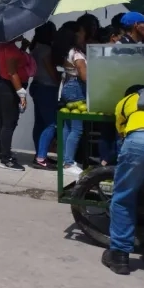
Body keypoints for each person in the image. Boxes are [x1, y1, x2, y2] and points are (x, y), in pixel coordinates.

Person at [101, 84, 144, 275]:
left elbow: (122, 134)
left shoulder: (125, 102)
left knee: (123, 198)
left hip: (139, 142)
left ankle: (119, 257)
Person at [0, 37, 33, 171]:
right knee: (9, 122)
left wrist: (22, 49)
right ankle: (6, 158)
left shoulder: (4, 45)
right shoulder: (9, 49)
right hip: (9, 87)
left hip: (4, 85)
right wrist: (21, 94)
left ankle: (0, 151)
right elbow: (12, 72)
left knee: (3, 121)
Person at [53, 22, 88, 176]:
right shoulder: (77, 54)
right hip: (76, 90)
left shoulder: (67, 51)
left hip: (68, 87)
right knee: (77, 128)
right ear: (75, 35)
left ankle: (65, 160)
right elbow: (84, 75)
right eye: (81, 32)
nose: (84, 35)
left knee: (67, 127)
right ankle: (68, 162)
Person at [29, 22, 61, 168]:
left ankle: (39, 154)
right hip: (47, 88)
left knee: (40, 123)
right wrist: (60, 78)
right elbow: (52, 73)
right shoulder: (46, 49)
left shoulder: (35, 48)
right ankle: (41, 157)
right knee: (51, 124)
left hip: (37, 85)